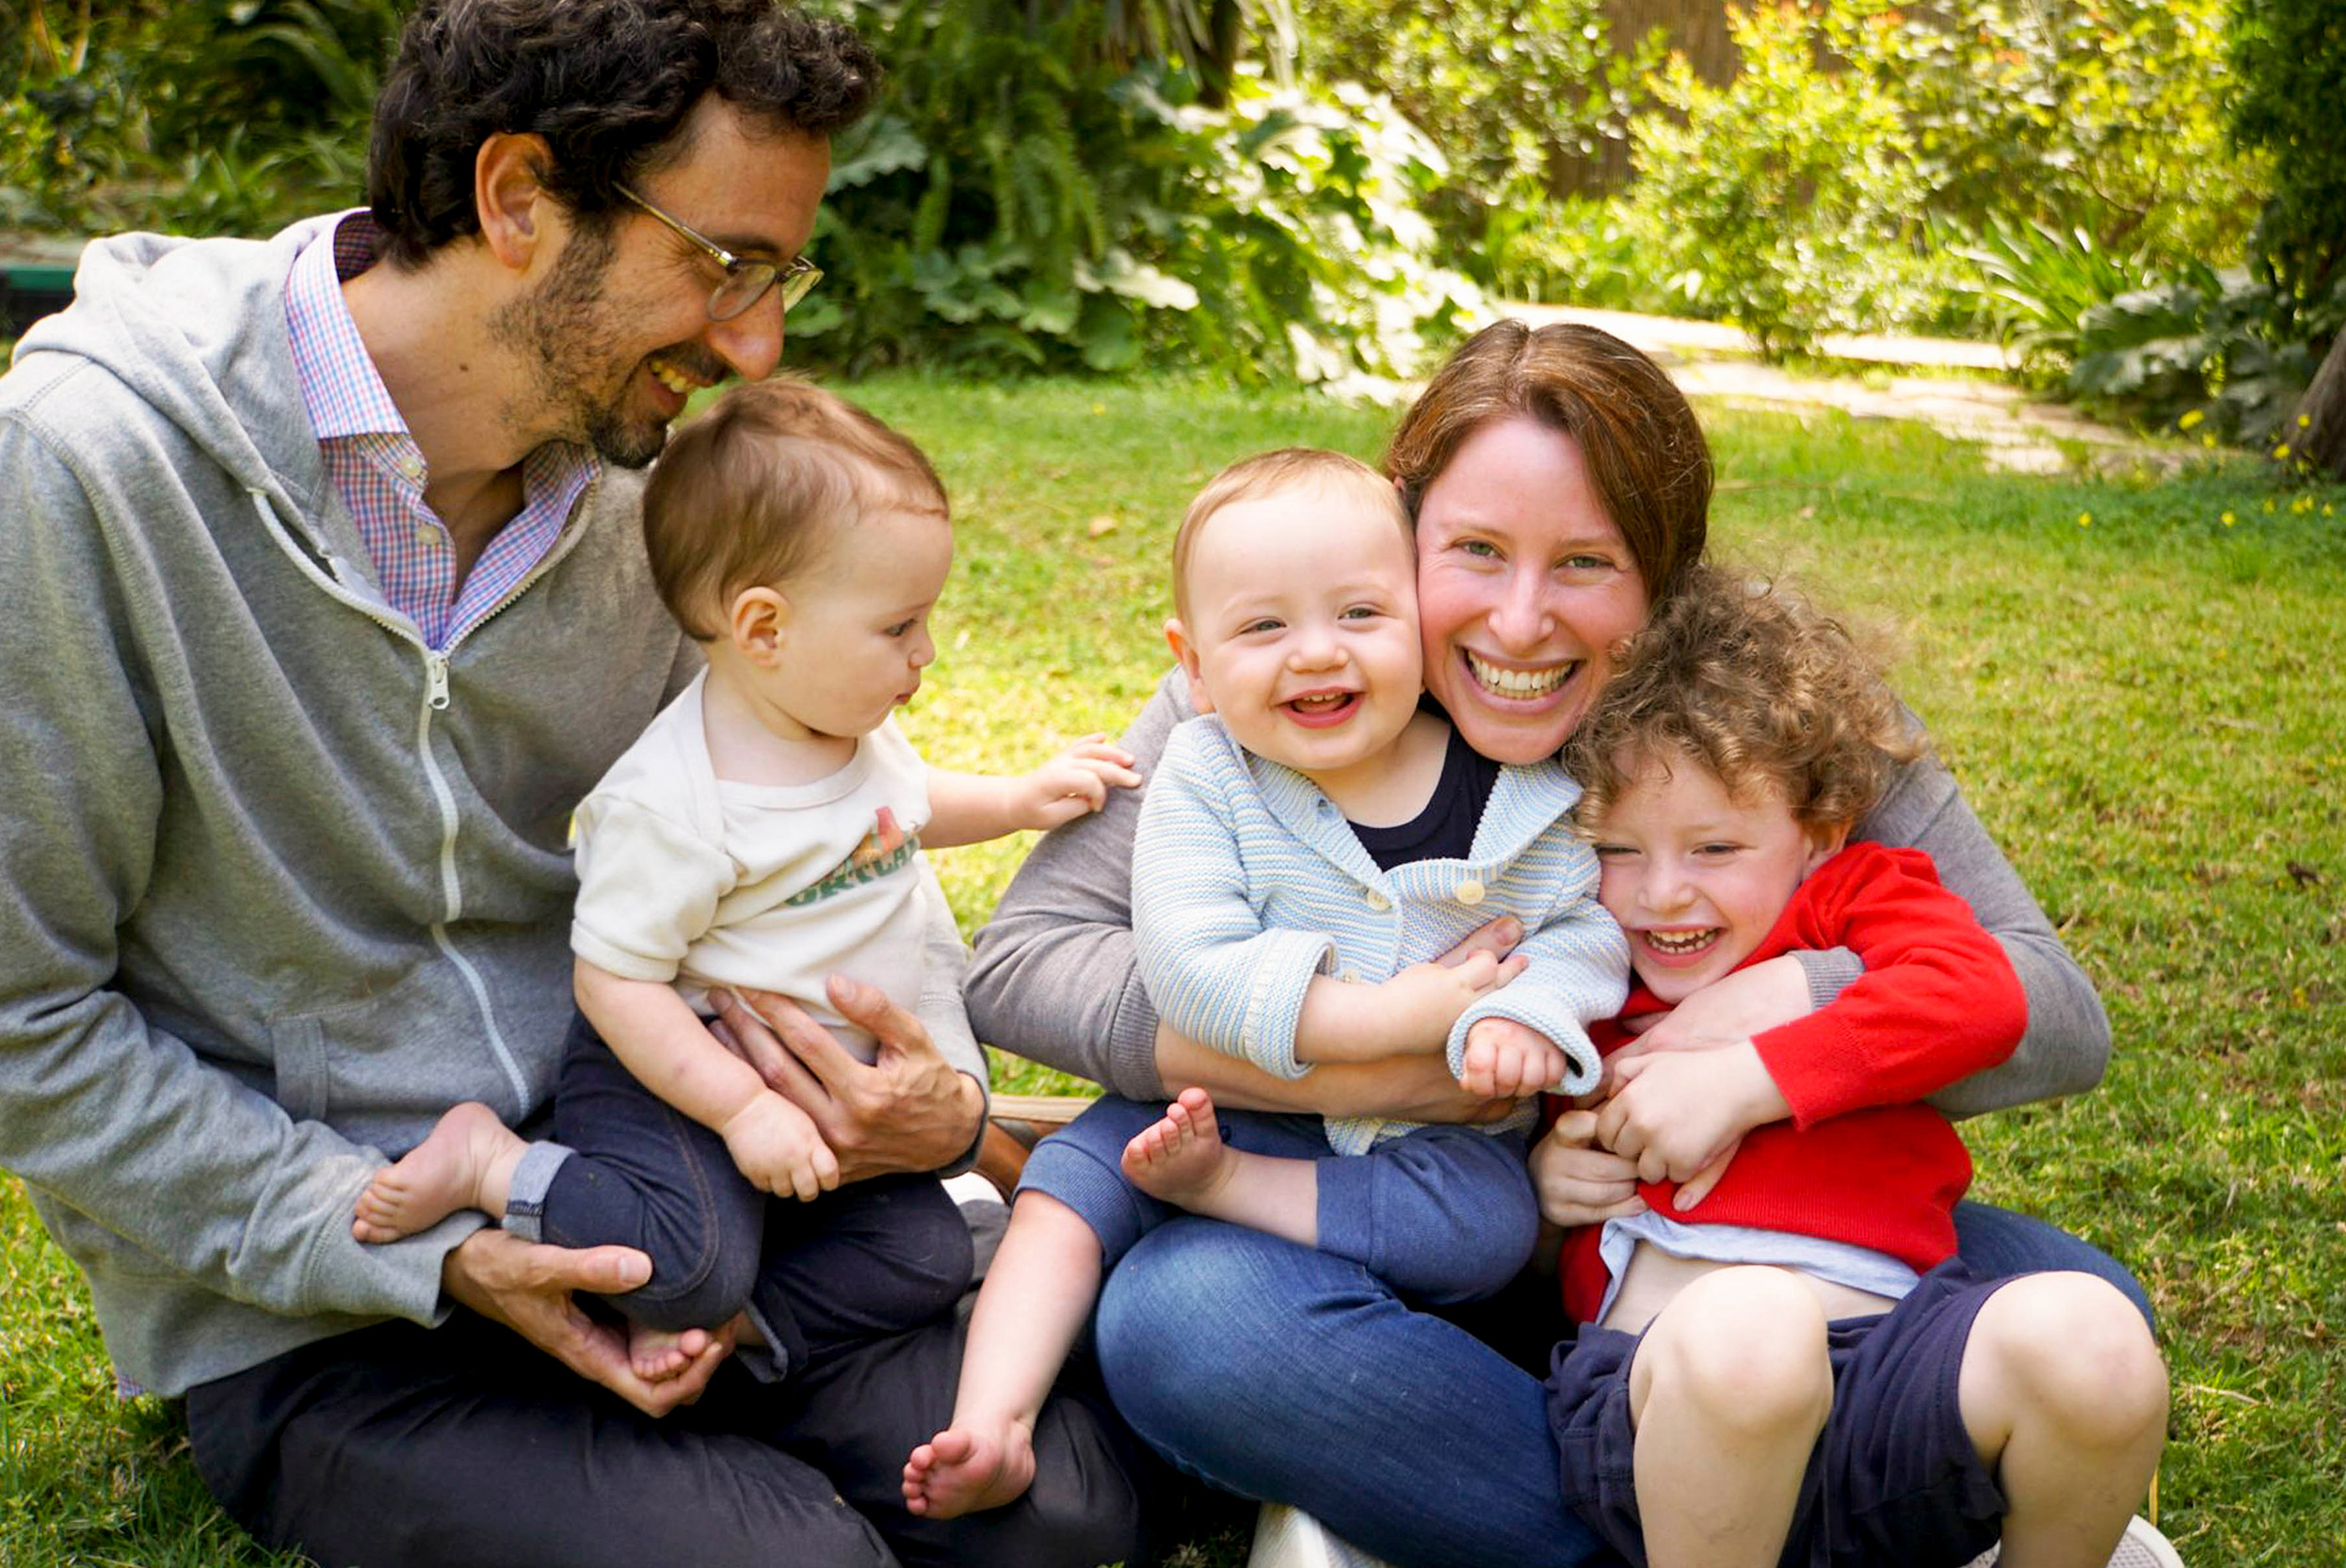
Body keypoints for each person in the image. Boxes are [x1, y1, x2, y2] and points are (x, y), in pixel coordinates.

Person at [0, 5, 1173, 1565]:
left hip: (680, 1185)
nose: (754, 343)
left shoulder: (651, 487)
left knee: (1063, 1516)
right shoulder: (82, 473)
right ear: (516, 198)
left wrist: (938, 1109)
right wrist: (428, 1256)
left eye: (778, 279)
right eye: (723, 263)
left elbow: (787, 839)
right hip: (344, 1300)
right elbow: (24, 1020)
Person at [965, 318, 2157, 1568]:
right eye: (1475, 552)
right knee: (1187, 1318)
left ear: (1665, 574)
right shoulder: (1298, 674)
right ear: (1403, 530)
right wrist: (1367, 1058)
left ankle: (1697, 1492)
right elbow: (1025, 956)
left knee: (2090, 1317)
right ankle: (1741, 1513)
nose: (1521, 624)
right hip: (1403, 1231)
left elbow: (2052, 1010)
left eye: (1586, 562)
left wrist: (1778, 1007)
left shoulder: (1753, 705)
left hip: (1713, 1236)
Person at [350, 379, 1139, 1384]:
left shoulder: (847, 732)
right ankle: (493, 1165)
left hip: (807, 1096)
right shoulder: (675, 805)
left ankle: (737, 1338)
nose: (925, 652)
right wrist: (737, 1109)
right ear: (763, 628)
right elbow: (615, 984)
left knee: (929, 1252)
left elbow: (903, 809)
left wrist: (1020, 798)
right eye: (899, 626)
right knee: (685, 1262)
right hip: (676, 1078)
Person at [902, 448, 1628, 1518]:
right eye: (1262, 628)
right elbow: (1187, 964)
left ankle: (1237, 1216)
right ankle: (992, 1417)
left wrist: (1527, 1011)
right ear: (1191, 664)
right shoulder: (1208, 771)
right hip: (1209, 1102)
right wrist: (1386, 1027)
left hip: (1426, 1154)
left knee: (1483, 1224)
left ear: (1421, 623)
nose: (1316, 654)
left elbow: (1577, 927)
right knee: (1070, 1187)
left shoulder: (1518, 790)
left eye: (1359, 615)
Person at [1541, 568, 2166, 1567]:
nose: (1662, 894)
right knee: (1756, 1326)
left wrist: (1752, 1076)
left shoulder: (1857, 897)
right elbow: (1507, 1093)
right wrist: (1547, 1179)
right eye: (1617, 847)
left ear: (1817, 837)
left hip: (1893, 1377)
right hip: (1668, 1394)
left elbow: (1985, 995)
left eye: (1714, 845)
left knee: (2091, 1336)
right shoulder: (1578, 942)